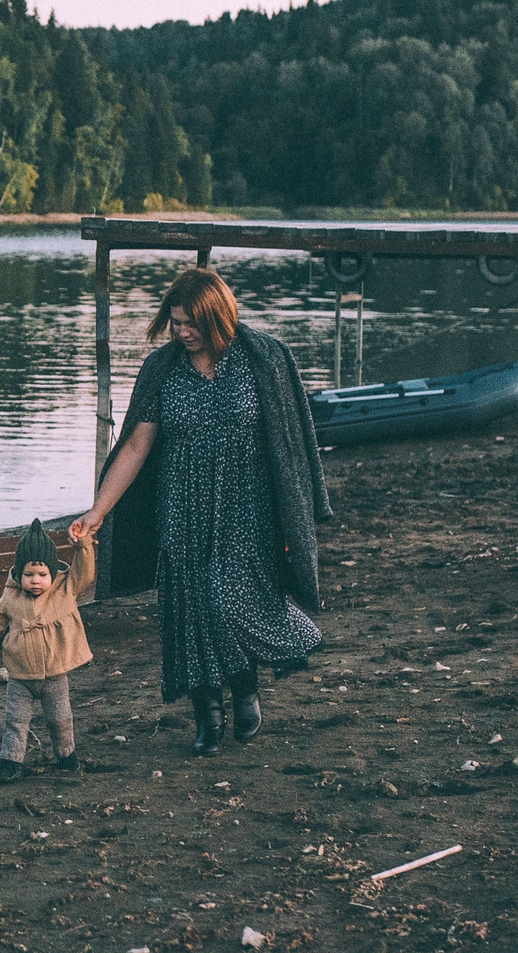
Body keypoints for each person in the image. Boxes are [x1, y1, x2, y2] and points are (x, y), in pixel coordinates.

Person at [71, 267, 330, 757]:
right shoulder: (162, 370)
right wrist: (98, 511)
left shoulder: (261, 359)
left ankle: (245, 685)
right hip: (182, 508)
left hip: (247, 509)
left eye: (191, 322)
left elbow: (290, 434)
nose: (182, 332)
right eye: (175, 322)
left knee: (226, 598)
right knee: (189, 613)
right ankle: (208, 715)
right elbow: (135, 445)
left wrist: (301, 503)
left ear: (217, 317)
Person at [0, 518, 93, 784]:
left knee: (60, 719)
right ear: (18, 574)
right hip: (20, 677)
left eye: (42, 574)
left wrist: (82, 544)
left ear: (53, 572)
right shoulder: (10, 598)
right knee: (15, 721)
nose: (35, 581)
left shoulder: (65, 588)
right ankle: (10, 763)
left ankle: (66, 756)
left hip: (55, 675)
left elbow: (84, 571)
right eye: (28, 575)